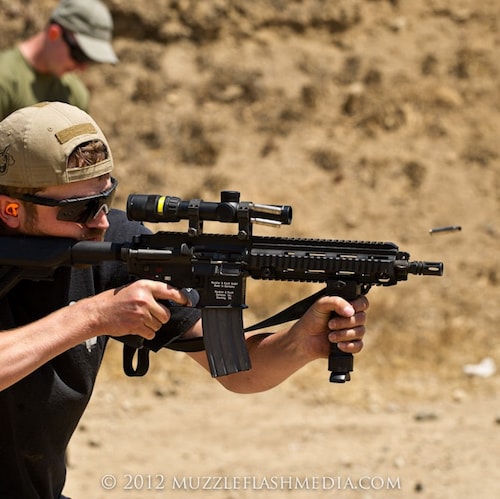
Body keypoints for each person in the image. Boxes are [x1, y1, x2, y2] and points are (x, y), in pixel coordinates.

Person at [0, 101, 369, 498]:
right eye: (81, 209)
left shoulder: (114, 244)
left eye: (106, 198)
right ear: (11, 210)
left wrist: (302, 342)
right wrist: (94, 316)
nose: (101, 221)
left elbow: (238, 370)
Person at [0, 0, 118, 120]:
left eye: (90, 59)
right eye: (80, 55)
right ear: (54, 33)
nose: (82, 67)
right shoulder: (4, 80)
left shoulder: (75, 95)